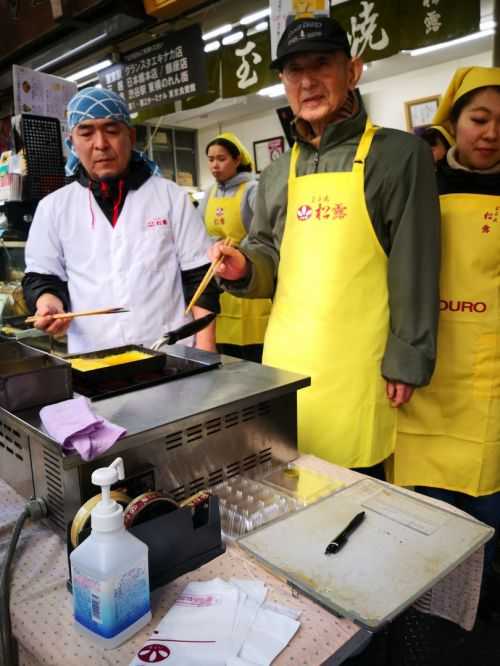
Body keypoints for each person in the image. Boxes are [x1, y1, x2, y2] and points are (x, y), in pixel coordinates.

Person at [210, 16, 440, 476]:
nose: (308, 81)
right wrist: (243, 268)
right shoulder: (277, 173)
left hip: (360, 365)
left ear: (352, 71)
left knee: (358, 500)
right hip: (286, 361)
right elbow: (269, 253)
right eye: (294, 70)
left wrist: (408, 357)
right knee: (290, 487)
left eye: (322, 65)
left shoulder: (398, 156)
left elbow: (415, 263)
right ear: (283, 83)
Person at [393, 66, 500, 613]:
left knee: (488, 514)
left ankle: (480, 617)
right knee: (425, 519)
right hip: (423, 376)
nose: (490, 133)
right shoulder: (421, 188)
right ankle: (425, 611)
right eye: (478, 119)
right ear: (452, 122)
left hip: (490, 382)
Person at [22, 87, 219, 354]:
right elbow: (42, 276)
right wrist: (49, 303)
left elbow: (200, 277)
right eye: (86, 132)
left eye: (111, 130)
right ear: (72, 143)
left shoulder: (170, 196)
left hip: (171, 352)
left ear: (131, 135)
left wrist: (205, 352)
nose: (100, 143)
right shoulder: (53, 208)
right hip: (93, 358)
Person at [200, 132, 271, 362]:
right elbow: (198, 233)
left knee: (254, 359)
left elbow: (265, 236)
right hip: (219, 285)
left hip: (249, 285)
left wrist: (238, 249)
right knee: (226, 360)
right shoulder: (209, 194)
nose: (214, 165)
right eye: (210, 159)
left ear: (237, 159)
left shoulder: (252, 190)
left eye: (221, 159)